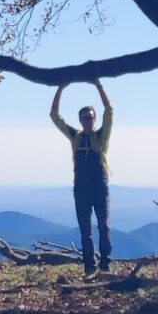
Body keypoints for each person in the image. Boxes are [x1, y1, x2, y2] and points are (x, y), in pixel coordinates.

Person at [50, 81, 114, 274]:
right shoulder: (74, 136)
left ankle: (105, 265)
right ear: (80, 120)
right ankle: (89, 266)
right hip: (81, 188)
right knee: (85, 230)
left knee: (104, 226)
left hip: (99, 187)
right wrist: (60, 88)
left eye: (91, 118)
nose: (88, 121)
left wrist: (99, 86)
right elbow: (54, 116)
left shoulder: (101, 136)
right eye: (85, 118)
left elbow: (109, 111)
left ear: (94, 120)